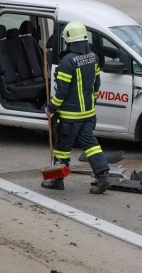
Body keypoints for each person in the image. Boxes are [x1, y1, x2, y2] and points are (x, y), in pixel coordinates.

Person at [42, 21, 110, 194]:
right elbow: (96, 85)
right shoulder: (93, 57)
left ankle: (57, 181)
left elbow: (62, 92)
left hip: (70, 117)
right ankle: (103, 178)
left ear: (69, 40)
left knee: (62, 149)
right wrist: (90, 104)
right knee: (91, 145)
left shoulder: (67, 61)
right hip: (88, 114)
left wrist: (51, 108)